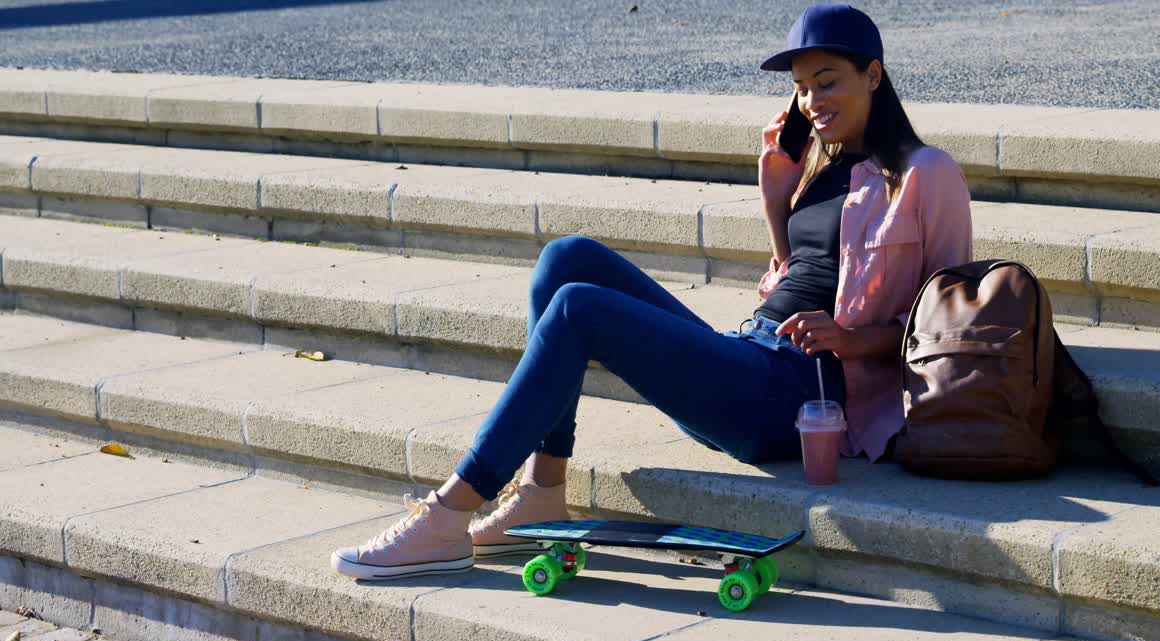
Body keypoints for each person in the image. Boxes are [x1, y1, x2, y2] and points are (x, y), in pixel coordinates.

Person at [331, 3, 973, 580]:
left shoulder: (927, 174)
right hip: (748, 356)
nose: (810, 102)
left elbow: (948, 328)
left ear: (874, 75)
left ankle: (448, 512)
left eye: (826, 82)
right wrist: (777, 194)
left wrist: (853, 340)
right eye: (801, 88)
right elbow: (794, 271)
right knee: (567, 257)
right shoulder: (820, 164)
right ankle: (542, 486)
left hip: (802, 395)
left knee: (578, 308)